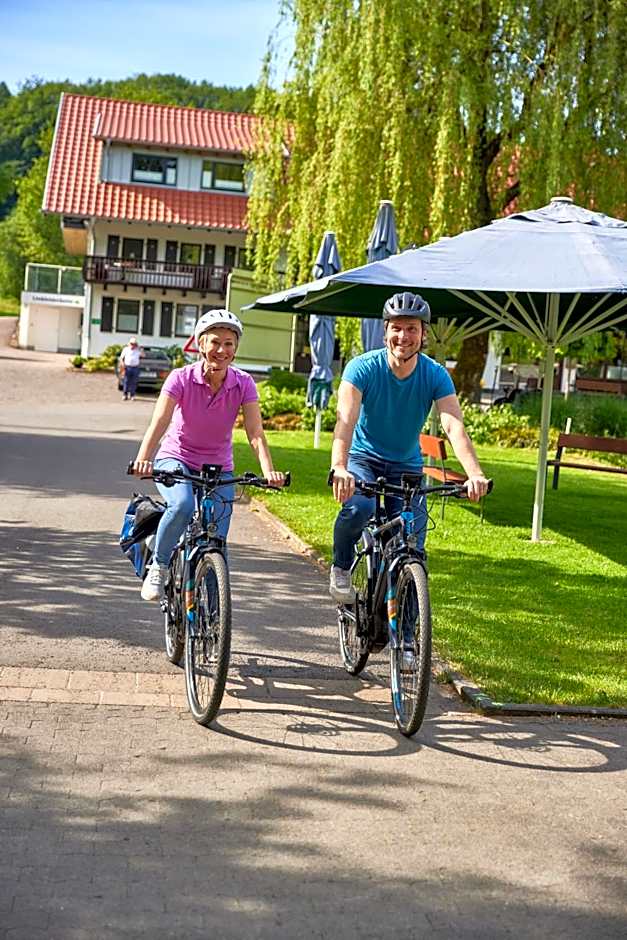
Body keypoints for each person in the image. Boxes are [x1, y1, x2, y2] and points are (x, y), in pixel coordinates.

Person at [329, 291, 490, 604]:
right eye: (397, 328)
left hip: (406, 467)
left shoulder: (435, 374)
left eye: (412, 328)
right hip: (364, 460)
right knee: (358, 508)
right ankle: (341, 566)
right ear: (385, 330)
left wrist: (475, 474)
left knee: (412, 546)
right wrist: (340, 467)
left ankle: (406, 643)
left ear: (423, 334)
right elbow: (345, 421)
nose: (404, 336)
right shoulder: (362, 368)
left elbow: (453, 425)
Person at [130, 309, 286, 602]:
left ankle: (215, 614)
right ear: (200, 345)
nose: (221, 350)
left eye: (229, 343)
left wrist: (268, 471)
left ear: (235, 348)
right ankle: (159, 565)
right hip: (176, 458)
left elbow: (255, 432)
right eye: (215, 342)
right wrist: (144, 458)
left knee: (216, 536)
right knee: (183, 505)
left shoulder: (243, 383)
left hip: (218, 466)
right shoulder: (181, 378)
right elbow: (160, 422)